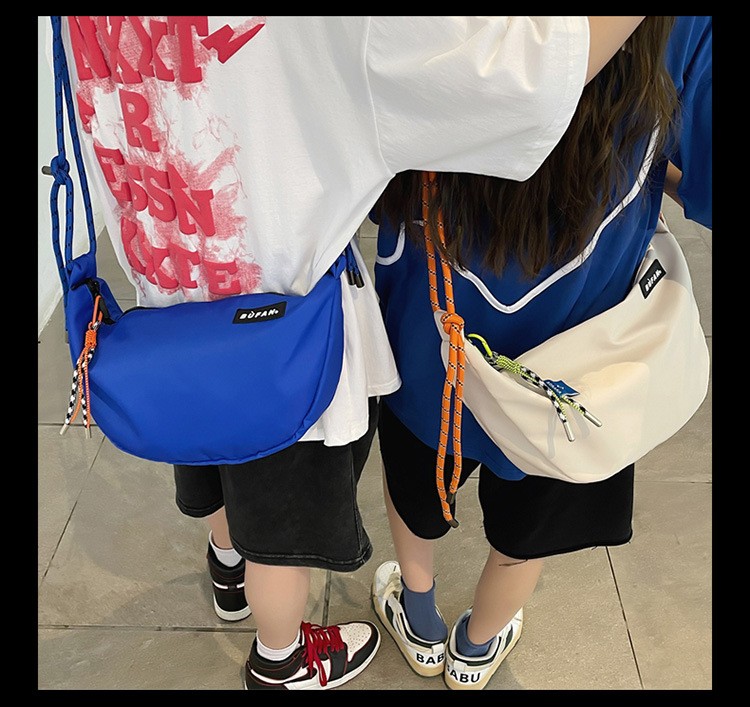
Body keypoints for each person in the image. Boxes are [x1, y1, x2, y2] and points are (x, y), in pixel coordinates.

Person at [52, 16, 648, 690]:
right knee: (278, 529)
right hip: (281, 331)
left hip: (166, 293)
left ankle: (226, 566)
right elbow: (522, 80)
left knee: (205, 454)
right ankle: (281, 658)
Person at [370, 15, 711, 690]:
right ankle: (476, 647)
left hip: (430, 322)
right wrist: (649, 161)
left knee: (415, 479)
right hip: (576, 352)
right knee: (535, 512)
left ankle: (420, 617)